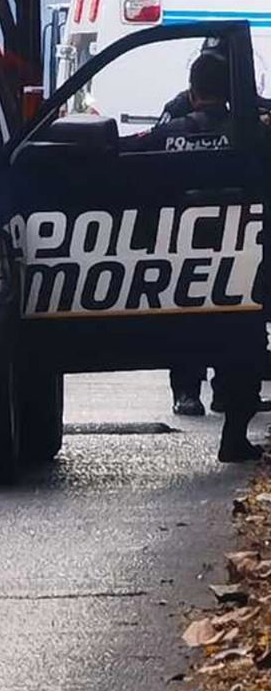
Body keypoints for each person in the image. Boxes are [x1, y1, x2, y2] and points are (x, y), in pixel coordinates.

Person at [124, 53, 265, 462]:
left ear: (192, 89)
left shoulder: (168, 133)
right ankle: (233, 432)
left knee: (185, 327)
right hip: (243, 260)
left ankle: (187, 392)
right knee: (245, 342)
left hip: (182, 260)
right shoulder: (253, 134)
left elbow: (127, 170)